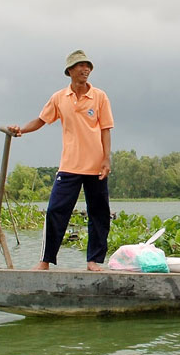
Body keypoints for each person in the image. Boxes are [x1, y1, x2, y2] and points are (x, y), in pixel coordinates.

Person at [7, 50, 114, 271]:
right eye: (80, 66)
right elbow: (40, 120)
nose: (85, 70)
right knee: (56, 210)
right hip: (70, 166)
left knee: (99, 213)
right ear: (70, 71)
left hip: (96, 166)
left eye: (88, 66)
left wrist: (106, 159)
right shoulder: (59, 98)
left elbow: (105, 129)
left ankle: (93, 261)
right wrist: (21, 130)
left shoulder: (100, 96)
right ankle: (45, 261)